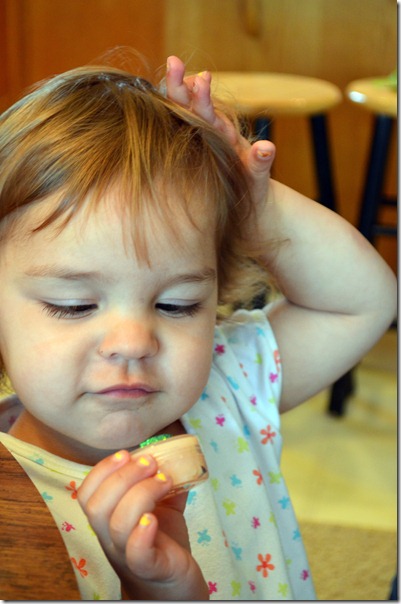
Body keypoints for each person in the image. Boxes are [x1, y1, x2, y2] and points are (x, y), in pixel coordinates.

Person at [0, 54, 396, 601]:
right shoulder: (11, 509)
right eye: (74, 306)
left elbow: (361, 303)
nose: (133, 343)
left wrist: (254, 207)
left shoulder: (225, 388)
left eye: (177, 305)